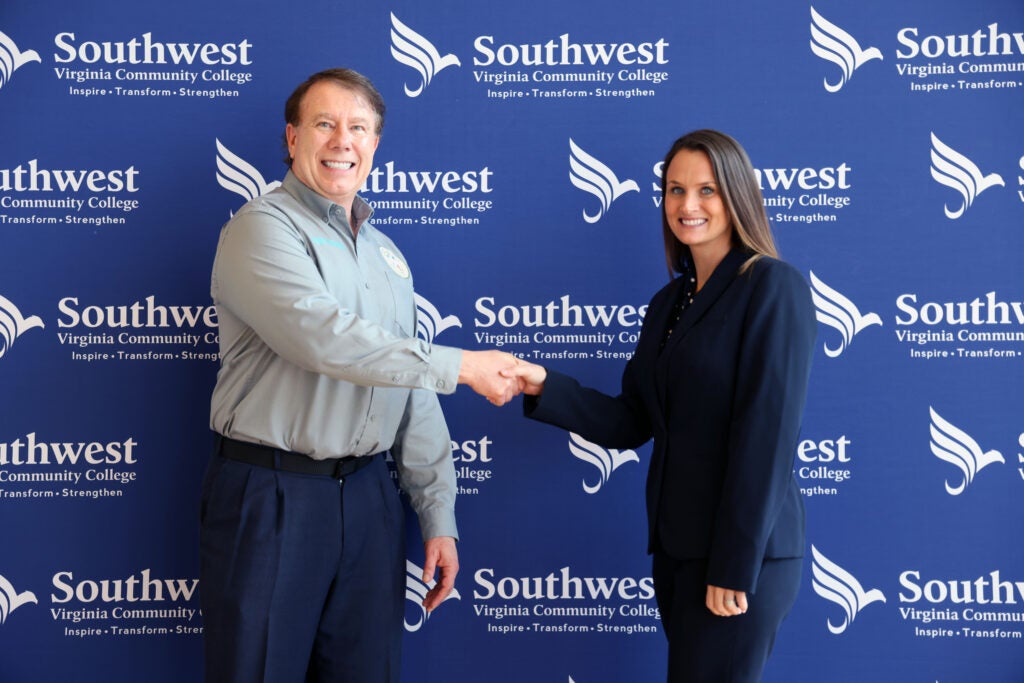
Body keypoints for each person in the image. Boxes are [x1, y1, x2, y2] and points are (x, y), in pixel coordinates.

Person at [200, 67, 518, 683]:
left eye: (359, 128)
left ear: (375, 145)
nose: (342, 140)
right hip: (273, 495)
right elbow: (323, 340)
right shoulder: (262, 229)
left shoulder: (385, 253)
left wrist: (437, 516)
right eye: (324, 124)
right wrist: (463, 365)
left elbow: (409, 389)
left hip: (370, 499)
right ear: (292, 139)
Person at [506, 130, 816, 682]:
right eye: (675, 190)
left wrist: (733, 566)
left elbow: (765, 438)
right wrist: (542, 385)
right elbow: (632, 421)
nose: (688, 205)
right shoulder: (668, 303)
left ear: (738, 196)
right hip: (678, 553)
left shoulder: (772, 286)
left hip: (739, 557)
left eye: (707, 190)